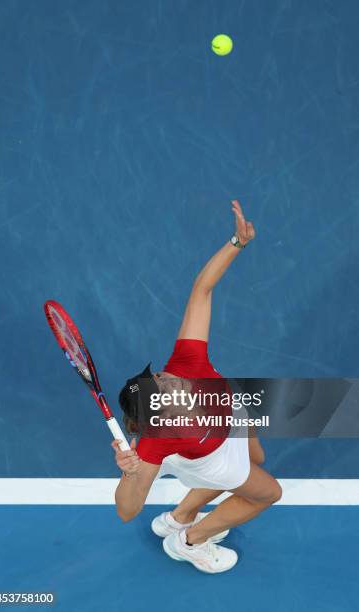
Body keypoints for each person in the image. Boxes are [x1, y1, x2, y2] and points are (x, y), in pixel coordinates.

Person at [112, 200, 282, 573]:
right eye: (161, 386)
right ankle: (190, 540)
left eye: (155, 376)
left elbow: (201, 290)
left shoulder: (186, 364)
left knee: (257, 459)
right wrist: (128, 472)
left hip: (230, 416)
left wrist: (236, 242)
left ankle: (180, 516)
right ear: (164, 413)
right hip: (211, 459)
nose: (166, 376)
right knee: (268, 493)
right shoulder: (157, 440)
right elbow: (127, 511)